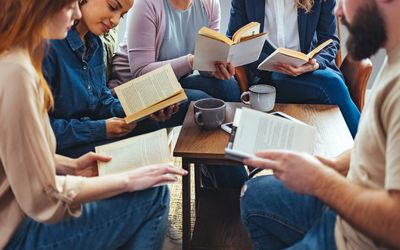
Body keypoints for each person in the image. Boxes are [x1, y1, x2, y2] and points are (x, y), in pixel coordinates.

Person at [0, 0, 187, 249]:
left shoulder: (18, 59)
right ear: (40, 7)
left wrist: (71, 166)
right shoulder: (21, 70)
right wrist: (127, 180)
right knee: (154, 193)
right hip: (17, 230)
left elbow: (17, 151)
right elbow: (43, 198)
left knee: (153, 164)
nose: (76, 12)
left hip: (24, 207)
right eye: (69, 6)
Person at [239, 0, 400, 249]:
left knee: (329, 84)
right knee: (253, 193)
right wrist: (334, 164)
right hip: (344, 204)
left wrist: (320, 180)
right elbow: (375, 143)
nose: (338, 11)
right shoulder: (393, 63)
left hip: (351, 236)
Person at [42, 0, 184, 158]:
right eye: (113, 7)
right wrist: (101, 129)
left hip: (90, 135)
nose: (115, 21)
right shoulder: (49, 47)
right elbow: (40, 129)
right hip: (62, 149)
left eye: (122, 16)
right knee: (141, 159)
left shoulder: (95, 44)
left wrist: (145, 108)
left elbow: (101, 100)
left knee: (150, 125)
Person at [227, 0, 360, 137]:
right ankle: (367, 148)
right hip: (265, 76)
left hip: (310, 71)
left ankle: (364, 149)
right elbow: (233, 38)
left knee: (331, 83)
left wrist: (314, 64)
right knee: (332, 84)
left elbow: (330, 41)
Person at [110, 0, 241, 103]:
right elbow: (141, 73)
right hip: (133, 89)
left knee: (229, 86)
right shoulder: (145, 4)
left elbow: (203, 64)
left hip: (173, 81)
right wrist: (191, 61)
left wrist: (216, 67)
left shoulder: (210, 4)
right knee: (201, 101)